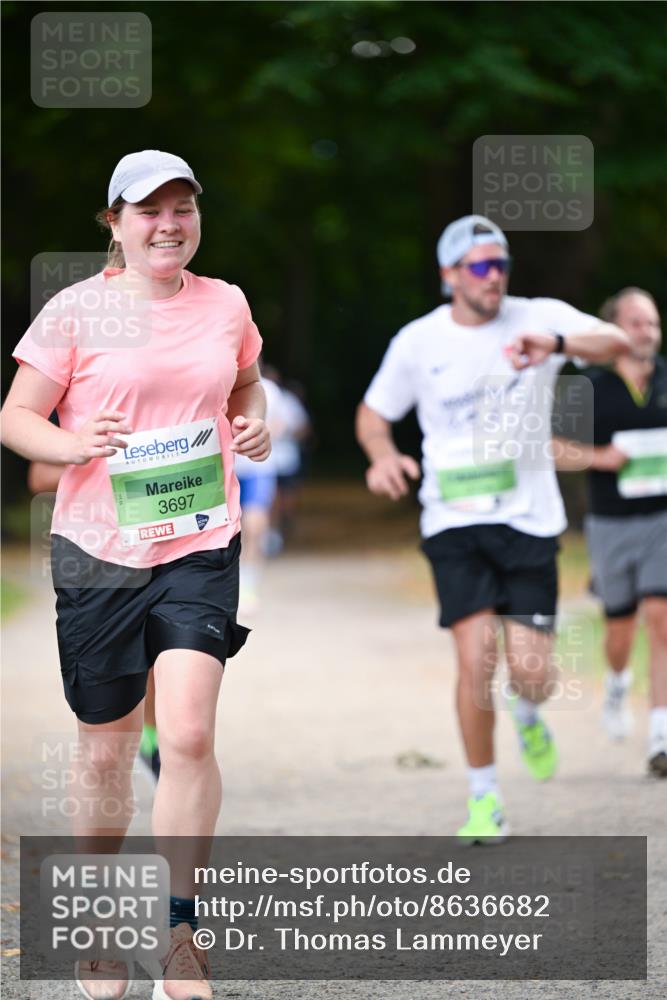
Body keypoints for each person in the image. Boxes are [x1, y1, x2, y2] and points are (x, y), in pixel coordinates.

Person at [1, 149, 271, 1000]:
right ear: (113, 222)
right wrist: (72, 444)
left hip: (197, 540)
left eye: (182, 207)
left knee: (187, 733)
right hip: (97, 555)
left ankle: (181, 933)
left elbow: (247, 387)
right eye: (148, 210)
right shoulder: (75, 311)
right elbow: (16, 417)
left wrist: (251, 427)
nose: (169, 223)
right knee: (107, 751)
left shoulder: (225, 303)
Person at [356, 215, 630, 844]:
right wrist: (381, 455)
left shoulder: (536, 316)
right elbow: (373, 413)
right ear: (449, 275)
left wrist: (556, 343)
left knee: (532, 672)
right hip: (454, 522)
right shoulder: (418, 342)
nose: (494, 276)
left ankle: (528, 711)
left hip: (529, 521)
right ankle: (485, 798)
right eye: (480, 265)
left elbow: (618, 344)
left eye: (501, 263)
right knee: (475, 659)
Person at [553, 288, 667, 775]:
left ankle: (660, 735)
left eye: (654, 323)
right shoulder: (588, 386)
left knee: (661, 618)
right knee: (619, 629)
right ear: (615, 330)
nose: (648, 332)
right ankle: (617, 683)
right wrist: (600, 457)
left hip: (663, 520)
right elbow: (553, 449)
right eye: (637, 323)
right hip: (610, 524)